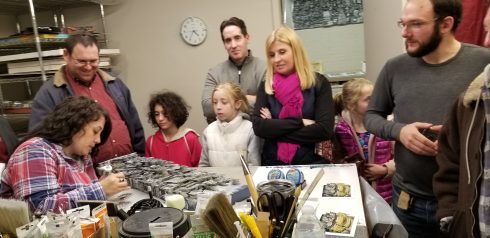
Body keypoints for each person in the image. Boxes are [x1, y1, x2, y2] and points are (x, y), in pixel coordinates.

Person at [364, 0, 490, 236]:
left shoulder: (483, 63)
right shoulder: (395, 67)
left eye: (416, 24)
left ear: (446, 24)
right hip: (407, 202)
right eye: (403, 23)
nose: (404, 32)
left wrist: (460, 137)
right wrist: (399, 131)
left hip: (465, 204)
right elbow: (372, 115)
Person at [29, 33, 145, 165]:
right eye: (82, 61)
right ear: (66, 55)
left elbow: (135, 126)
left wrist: (140, 158)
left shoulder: (115, 84)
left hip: (129, 165)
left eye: (94, 61)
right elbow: (40, 143)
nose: (88, 67)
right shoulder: (50, 93)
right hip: (84, 175)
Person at [0, 96, 129, 214]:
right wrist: (100, 189)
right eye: (95, 131)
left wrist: (103, 186)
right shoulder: (34, 151)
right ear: (75, 125)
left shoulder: (82, 156)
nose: (98, 140)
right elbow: (39, 208)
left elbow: (86, 199)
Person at [433, 2, 490, 237]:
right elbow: (450, 159)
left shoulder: (475, 58)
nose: (486, 42)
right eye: (486, 30)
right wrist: (450, 215)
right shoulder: (471, 100)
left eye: (416, 24)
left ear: (446, 24)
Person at [252, 25, 335, 166]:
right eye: (272, 55)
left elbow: (324, 130)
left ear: (296, 51)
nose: (276, 59)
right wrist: (300, 122)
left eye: (282, 52)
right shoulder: (266, 86)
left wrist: (274, 128)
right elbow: (259, 127)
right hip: (274, 166)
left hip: (313, 165)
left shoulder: (319, 83)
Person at [333, 78, 394, 203]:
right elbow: (336, 161)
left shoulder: (387, 125)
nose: (375, 102)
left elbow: (403, 159)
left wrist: (386, 169)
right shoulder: (340, 130)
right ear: (351, 105)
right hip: (356, 194)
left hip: (386, 193)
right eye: (368, 99)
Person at [201, 17, 266, 124]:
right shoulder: (214, 73)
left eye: (237, 38)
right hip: (224, 137)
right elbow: (207, 108)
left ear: (247, 38)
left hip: (259, 137)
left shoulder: (265, 68)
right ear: (224, 44)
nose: (233, 45)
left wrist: (223, 102)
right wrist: (251, 99)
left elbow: (269, 106)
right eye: (228, 40)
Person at [199, 82, 260, 167]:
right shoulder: (208, 131)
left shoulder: (250, 130)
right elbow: (204, 165)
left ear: (237, 104)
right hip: (216, 180)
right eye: (215, 102)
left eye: (224, 102)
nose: (218, 107)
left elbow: (253, 166)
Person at [145, 91, 201, 167]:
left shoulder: (190, 139)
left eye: (165, 113)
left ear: (175, 113)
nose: (160, 118)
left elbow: (201, 169)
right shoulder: (151, 142)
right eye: (157, 114)